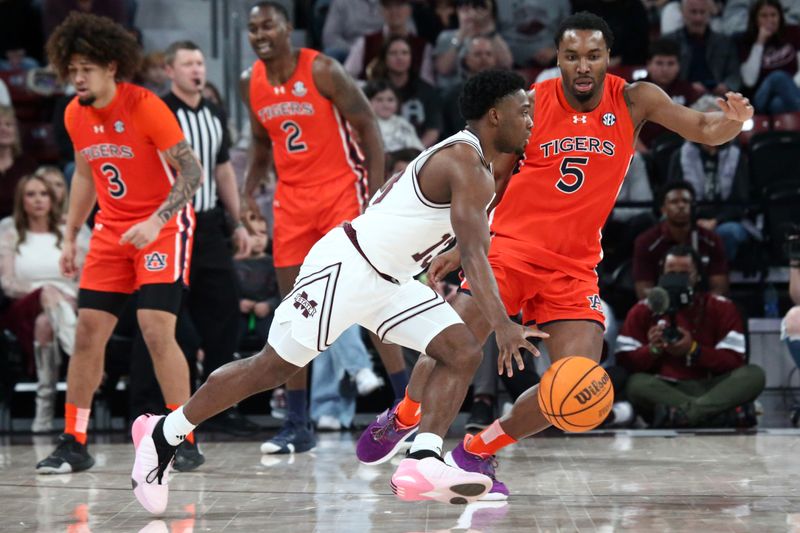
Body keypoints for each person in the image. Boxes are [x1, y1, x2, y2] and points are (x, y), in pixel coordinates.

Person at [356, 11, 753, 500]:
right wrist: (463, 245)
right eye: (571, 56)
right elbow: (493, 182)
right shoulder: (530, 104)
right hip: (510, 250)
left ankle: (479, 448)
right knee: (454, 339)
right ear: (558, 60)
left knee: (575, 385)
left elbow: (703, 126)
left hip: (575, 266)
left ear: (609, 58)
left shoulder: (634, 99)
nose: (582, 66)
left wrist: (733, 122)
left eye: (593, 55)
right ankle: (409, 418)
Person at [130, 69, 538, 513]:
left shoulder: (467, 162)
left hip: (391, 280)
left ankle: (422, 458)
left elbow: (398, 199)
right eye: (524, 111)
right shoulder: (466, 162)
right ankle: (163, 432)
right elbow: (477, 255)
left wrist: (439, 250)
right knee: (272, 368)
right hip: (347, 269)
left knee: (461, 350)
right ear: (495, 115)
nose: (531, 120)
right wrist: (502, 324)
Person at [34, 12, 203, 474]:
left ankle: (183, 436)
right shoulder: (74, 112)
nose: (76, 77)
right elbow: (86, 175)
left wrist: (156, 220)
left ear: (111, 66)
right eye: (70, 69)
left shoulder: (145, 105)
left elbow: (192, 173)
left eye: (85, 68)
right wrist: (69, 236)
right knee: (88, 332)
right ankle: (74, 440)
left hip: (163, 227)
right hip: (111, 231)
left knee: (154, 328)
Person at [240, 2, 407, 455]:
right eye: (253, 27)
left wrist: (374, 196)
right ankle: (297, 423)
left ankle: (409, 408)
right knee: (294, 308)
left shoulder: (323, 70)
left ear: (287, 29)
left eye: (268, 25)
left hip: (340, 191)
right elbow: (259, 146)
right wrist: (244, 194)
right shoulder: (249, 82)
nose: (260, 33)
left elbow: (369, 127)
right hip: (291, 200)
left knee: (370, 299)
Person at [160, 40, 256, 440]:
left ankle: (219, 406)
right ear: (170, 71)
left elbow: (223, 172)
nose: (197, 69)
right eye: (187, 64)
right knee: (170, 317)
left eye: (200, 62)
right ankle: (166, 408)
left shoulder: (214, 112)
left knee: (226, 312)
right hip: (169, 225)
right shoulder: (162, 111)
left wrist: (239, 222)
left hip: (209, 224)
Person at [616, 245, 765, 428]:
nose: (677, 279)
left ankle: (684, 415)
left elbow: (735, 359)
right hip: (666, 387)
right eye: (671, 272)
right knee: (635, 384)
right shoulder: (643, 309)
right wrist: (652, 349)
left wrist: (694, 350)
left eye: (685, 273)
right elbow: (624, 360)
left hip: (713, 386)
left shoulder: (721, 307)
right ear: (661, 274)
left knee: (754, 374)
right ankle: (716, 416)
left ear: (698, 276)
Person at [0, 175, 84, 432]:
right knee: (46, 296)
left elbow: (86, 278)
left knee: (46, 323)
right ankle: (78, 353)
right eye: (31, 194)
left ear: (52, 198)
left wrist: (67, 296)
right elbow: (7, 282)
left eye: (43, 194)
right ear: (21, 201)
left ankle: (44, 410)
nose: (38, 200)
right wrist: (43, 292)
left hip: (66, 305)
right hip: (22, 306)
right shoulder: (9, 230)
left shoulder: (71, 231)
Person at [667, 95, 752, 262]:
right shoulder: (680, 155)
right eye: (706, 123)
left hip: (727, 220)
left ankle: (718, 278)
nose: (713, 129)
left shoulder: (736, 156)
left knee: (728, 233)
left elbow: (741, 200)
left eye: (718, 123)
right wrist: (693, 220)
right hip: (688, 219)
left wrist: (715, 221)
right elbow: (672, 195)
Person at [634, 181, 730, 299]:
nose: (681, 206)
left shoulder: (712, 240)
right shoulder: (646, 242)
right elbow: (644, 290)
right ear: (663, 209)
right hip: (662, 308)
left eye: (686, 201)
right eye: (674, 202)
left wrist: (697, 307)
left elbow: (720, 288)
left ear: (693, 206)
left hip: (703, 309)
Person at [368, 35, 443, 146]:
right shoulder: (371, 89)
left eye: (405, 53)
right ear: (384, 58)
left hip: (417, 152)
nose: (399, 57)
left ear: (411, 57)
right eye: (393, 53)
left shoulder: (426, 90)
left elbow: (433, 129)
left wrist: (418, 155)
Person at [638, 38, 705, 151]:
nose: (665, 69)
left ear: (678, 66)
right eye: (659, 63)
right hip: (641, 153)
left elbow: (698, 127)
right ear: (649, 65)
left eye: (671, 63)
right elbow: (621, 128)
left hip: (680, 153)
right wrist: (645, 155)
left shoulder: (689, 91)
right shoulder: (635, 90)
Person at [344, 0, 435, 84]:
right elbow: (347, 77)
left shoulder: (423, 46)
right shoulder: (365, 42)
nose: (394, 11)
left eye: (399, 5)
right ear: (381, 11)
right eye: (388, 6)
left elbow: (427, 83)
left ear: (409, 10)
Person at [663, 0, 742, 96]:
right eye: (693, 12)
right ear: (682, 13)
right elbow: (662, 75)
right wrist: (688, 88)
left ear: (710, 13)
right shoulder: (669, 41)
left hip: (716, 98)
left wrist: (726, 86)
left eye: (702, 12)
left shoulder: (725, 42)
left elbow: (734, 74)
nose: (698, 18)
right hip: (680, 99)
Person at [433, 0, 512, 90]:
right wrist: (461, 34)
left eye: (477, 7)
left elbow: (506, 64)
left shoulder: (492, 37)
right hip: (453, 93)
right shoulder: (447, 36)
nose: (472, 13)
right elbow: (443, 69)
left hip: (486, 90)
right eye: (466, 9)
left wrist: (489, 29)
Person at [738, 0, 800, 114]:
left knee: (777, 105)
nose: (769, 20)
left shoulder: (793, 33)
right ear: (755, 19)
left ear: (780, 16)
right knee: (778, 77)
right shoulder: (746, 40)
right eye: (764, 16)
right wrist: (759, 43)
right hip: (760, 96)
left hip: (791, 92)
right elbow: (749, 81)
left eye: (773, 15)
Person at [364, 79, 424, 152]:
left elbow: (418, 150)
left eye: (390, 100)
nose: (385, 105)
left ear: (397, 102)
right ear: (367, 101)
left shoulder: (403, 124)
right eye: (379, 100)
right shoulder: (366, 124)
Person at [0, 105, 38, 218]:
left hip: (20, 225)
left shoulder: (28, 165)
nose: (4, 129)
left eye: (9, 125)